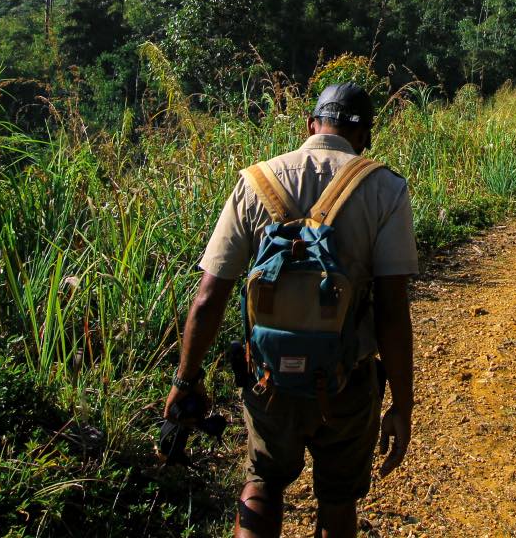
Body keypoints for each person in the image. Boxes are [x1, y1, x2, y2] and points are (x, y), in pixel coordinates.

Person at [164, 81, 419, 538]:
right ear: (365, 136)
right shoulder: (385, 188)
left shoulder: (256, 181)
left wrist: (186, 380)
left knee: (262, 480)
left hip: (268, 381)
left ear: (310, 124)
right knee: (338, 500)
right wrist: (402, 403)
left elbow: (209, 296)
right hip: (348, 381)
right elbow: (392, 312)